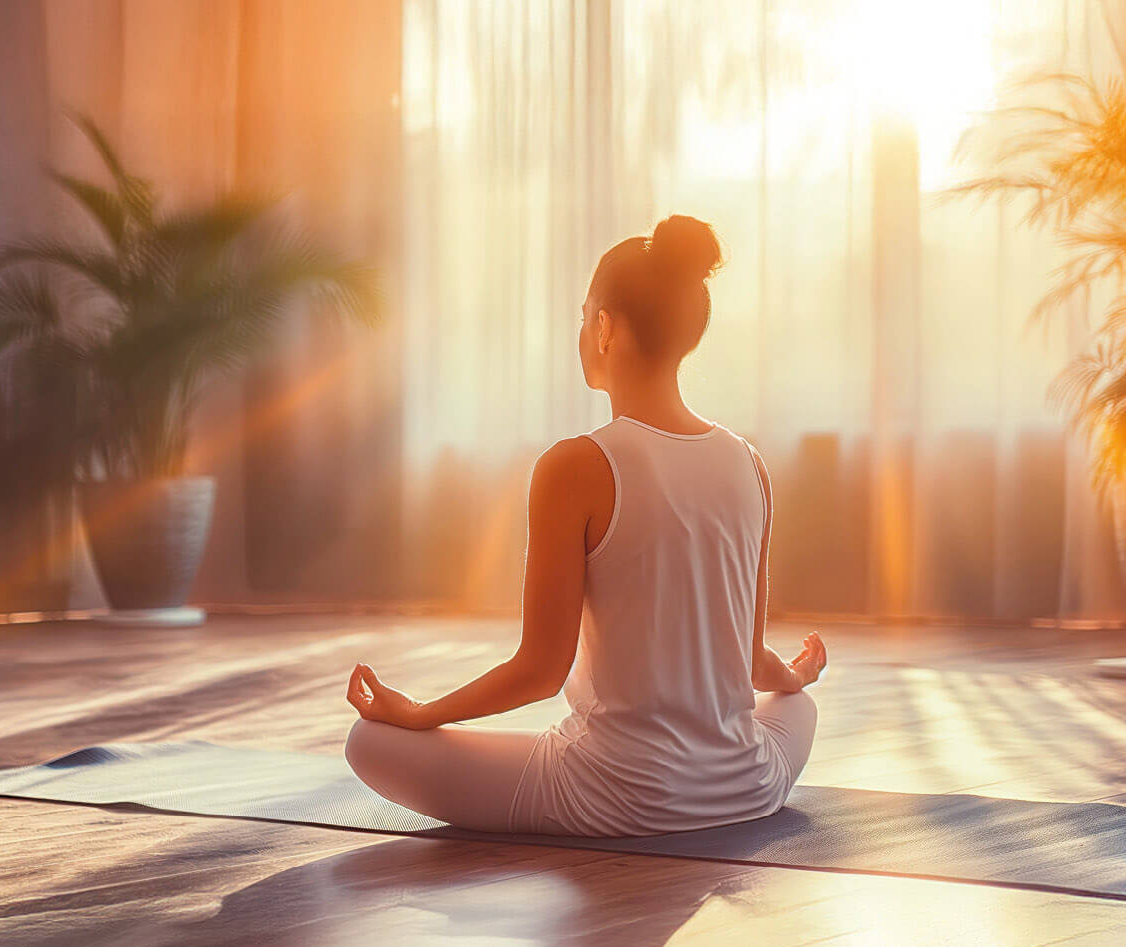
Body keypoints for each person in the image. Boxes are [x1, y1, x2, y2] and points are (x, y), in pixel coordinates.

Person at [343, 215, 825, 837]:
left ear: (604, 327)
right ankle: (761, 738)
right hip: (747, 786)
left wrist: (420, 714)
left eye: (582, 316)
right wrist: (796, 677)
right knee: (799, 708)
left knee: (367, 743)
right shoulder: (749, 462)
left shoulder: (574, 465)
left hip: (613, 798)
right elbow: (754, 664)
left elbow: (540, 671)